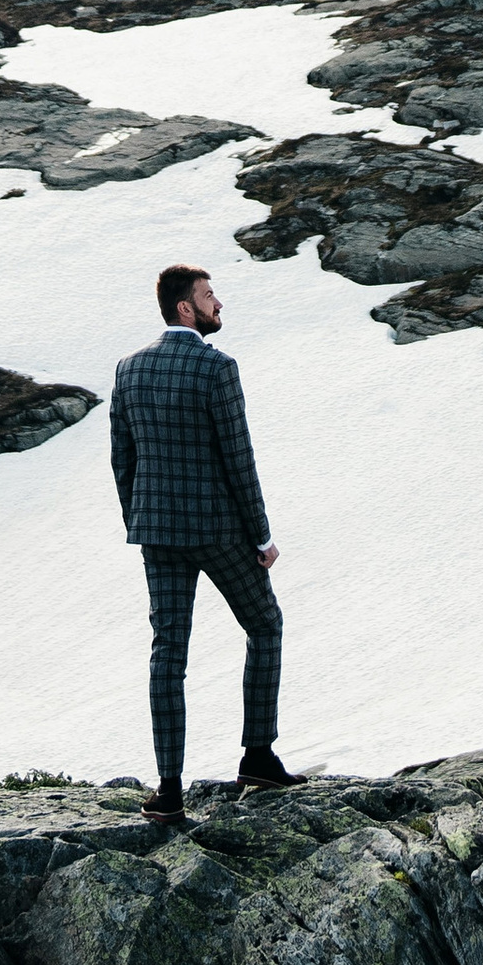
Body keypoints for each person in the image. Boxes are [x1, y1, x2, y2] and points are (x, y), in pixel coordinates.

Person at [109, 263, 292, 819]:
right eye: (211, 296)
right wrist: (260, 534)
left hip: (157, 533)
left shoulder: (129, 368)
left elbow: (124, 459)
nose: (219, 305)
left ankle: (168, 791)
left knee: (169, 654)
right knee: (264, 624)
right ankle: (257, 755)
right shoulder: (217, 368)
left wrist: (139, 518)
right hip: (216, 530)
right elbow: (239, 459)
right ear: (186, 307)